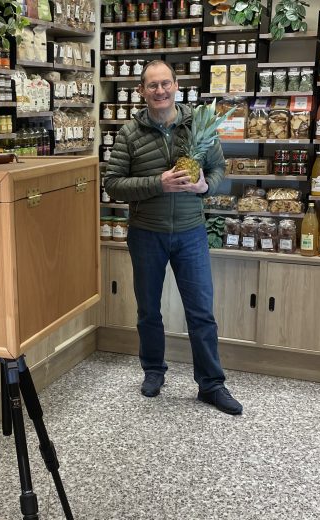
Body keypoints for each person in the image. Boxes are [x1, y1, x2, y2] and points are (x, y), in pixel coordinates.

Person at [103, 60, 242, 415]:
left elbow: (219, 168)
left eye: (165, 83)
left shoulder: (197, 123)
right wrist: (158, 183)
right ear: (141, 91)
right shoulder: (129, 133)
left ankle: (211, 384)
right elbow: (113, 184)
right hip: (146, 233)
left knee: (201, 312)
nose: (160, 90)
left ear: (177, 86)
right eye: (152, 85)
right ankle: (153, 370)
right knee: (148, 309)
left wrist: (204, 185)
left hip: (190, 232)